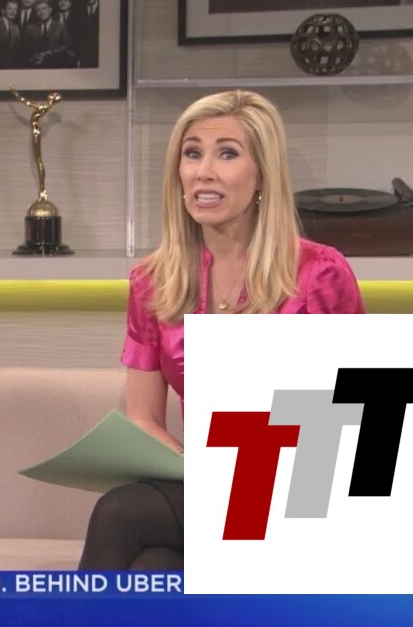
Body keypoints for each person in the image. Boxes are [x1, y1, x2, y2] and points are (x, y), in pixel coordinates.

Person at [77, 89, 365, 570]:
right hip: (212, 485)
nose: (203, 171)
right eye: (192, 154)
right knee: (153, 566)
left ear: (262, 174)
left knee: (121, 513)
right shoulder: (154, 281)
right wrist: (200, 470)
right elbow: (144, 418)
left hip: (305, 490)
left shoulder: (319, 273)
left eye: (227, 154)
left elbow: (358, 409)